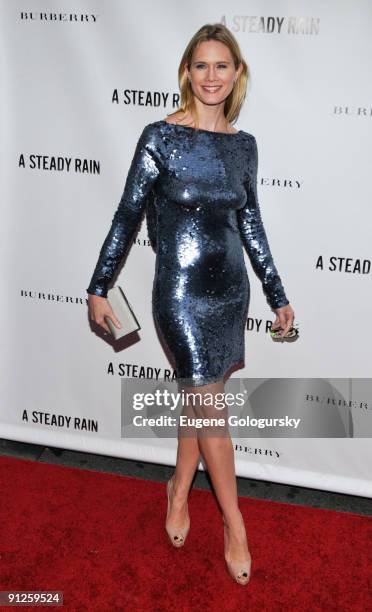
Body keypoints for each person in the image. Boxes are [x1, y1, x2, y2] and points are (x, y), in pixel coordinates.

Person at [87, 23, 295, 586]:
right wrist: (99, 285)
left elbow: (251, 225)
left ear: (237, 73)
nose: (211, 76)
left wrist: (276, 294)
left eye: (222, 66)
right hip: (178, 295)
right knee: (211, 408)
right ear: (186, 72)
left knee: (199, 399)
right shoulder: (159, 137)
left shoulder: (243, 146)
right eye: (201, 66)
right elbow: (127, 217)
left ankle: (179, 487)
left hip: (229, 291)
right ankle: (235, 523)